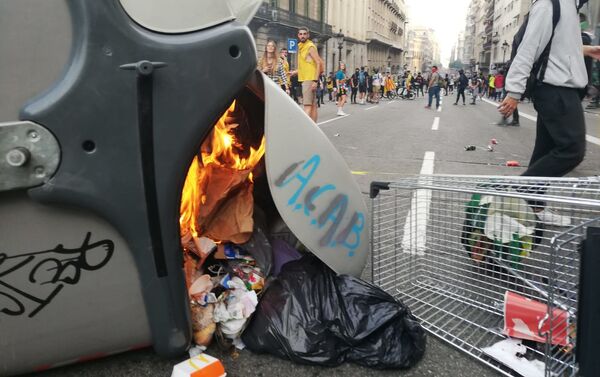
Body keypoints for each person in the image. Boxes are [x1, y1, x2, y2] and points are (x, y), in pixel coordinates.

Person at [499, 0, 600, 226]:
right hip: (555, 89)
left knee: (545, 150)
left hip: (563, 88)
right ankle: (518, 194)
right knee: (572, 149)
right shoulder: (549, 4)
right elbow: (528, 48)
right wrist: (514, 91)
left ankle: (534, 206)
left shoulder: (570, 9)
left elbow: (559, 46)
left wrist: (587, 50)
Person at [295, 27, 324, 122]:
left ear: (308, 35)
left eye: (304, 34)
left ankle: (305, 130)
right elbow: (308, 65)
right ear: (298, 35)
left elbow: (318, 63)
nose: (302, 36)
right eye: (300, 34)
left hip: (309, 80)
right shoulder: (300, 46)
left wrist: (315, 81)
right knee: (313, 105)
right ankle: (314, 128)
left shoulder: (310, 46)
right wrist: (295, 72)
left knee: (307, 106)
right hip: (308, 79)